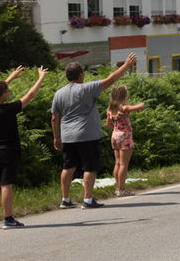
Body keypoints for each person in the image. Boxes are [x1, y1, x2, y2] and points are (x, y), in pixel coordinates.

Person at [51, 53, 137, 209]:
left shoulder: (58, 94)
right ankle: (88, 199)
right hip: (87, 134)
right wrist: (126, 65)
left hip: (67, 136)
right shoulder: (87, 89)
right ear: (81, 74)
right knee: (89, 167)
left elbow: (54, 118)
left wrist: (56, 138)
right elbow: (111, 80)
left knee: (68, 167)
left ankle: (65, 199)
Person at [0, 65, 48, 229]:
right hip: (8, 151)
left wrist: (10, 77)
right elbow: (30, 95)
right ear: (3, 94)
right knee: (6, 185)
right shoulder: (8, 109)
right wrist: (40, 77)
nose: (9, 92)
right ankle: (8, 219)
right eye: (7, 90)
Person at [105, 84, 146, 197]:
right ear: (123, 96)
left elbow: (108, 125)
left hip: (115, 136)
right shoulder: (124, 108)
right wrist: (143, 104)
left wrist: (117, 126)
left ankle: (118, 188)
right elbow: (140, 106)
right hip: (125, 137)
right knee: (124, 165)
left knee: (117, 163)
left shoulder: (110, 109)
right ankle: (122, 189)